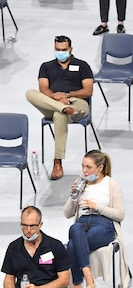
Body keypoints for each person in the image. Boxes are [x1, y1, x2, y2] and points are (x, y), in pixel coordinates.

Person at [63, 150, 127, 288]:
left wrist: (96, 206)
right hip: (83, 222)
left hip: (103, 224)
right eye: (83, 166)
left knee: (72, 246)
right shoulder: (81, 183)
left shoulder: (110, 184)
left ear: (100, 168)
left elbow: (120, 214)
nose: (84, 171)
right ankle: (87, 276)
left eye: (89, 167)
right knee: (74, 227)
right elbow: (67, 213)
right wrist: (73, 197)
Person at [25, 35, 94, 180]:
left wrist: (67, 95)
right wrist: (59, 101)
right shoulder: (46, 67)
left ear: (71, 49)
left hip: (77, 103)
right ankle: (65, 110)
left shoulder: (83, 65)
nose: (60, 52)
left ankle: (58, 163)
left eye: (64, 49)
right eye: (57, 49)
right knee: (30, 93)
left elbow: (88, 91)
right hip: (53, 101)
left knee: (59, 115)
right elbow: (43, 89)